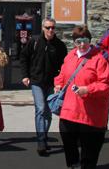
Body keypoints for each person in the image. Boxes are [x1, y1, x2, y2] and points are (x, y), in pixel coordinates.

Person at [54, 26, 109, 169]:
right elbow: (62, 75)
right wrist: (58, 84)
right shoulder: (70, 56)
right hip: (70, 109)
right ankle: (73, 164)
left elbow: (107, 84)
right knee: (67, 137)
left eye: (85, 41)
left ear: (90, 40)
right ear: (74, 42)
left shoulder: (99, 59)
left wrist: (87, 89)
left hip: (91, 113)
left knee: (89, 149)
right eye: (78, 41)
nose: (82, 44)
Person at [20, 17, 68, 156]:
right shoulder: (34, 41)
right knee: (40, 109)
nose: (51, 30)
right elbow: (24, 58)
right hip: (36, 81)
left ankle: (44, 135)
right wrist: (25, 75)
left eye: (53, 27)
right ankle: (41, 141)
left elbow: (64, 66)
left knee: (48, 111)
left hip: (52, 83)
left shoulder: (59, 45)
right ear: (43, 28)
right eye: (48, 27)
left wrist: (60, 82)